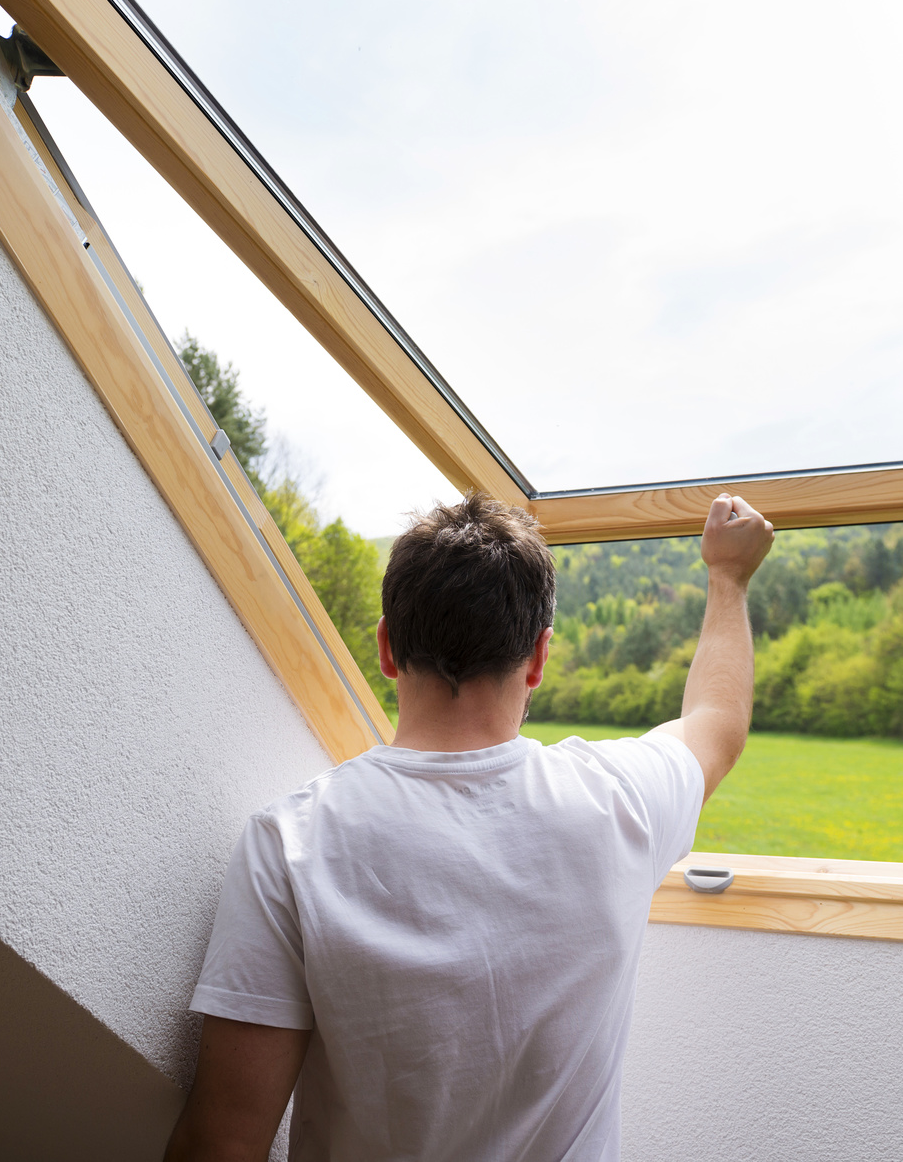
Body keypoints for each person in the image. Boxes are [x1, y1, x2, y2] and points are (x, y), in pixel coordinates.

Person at [164, 492, 775, 1162]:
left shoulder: (289, 845)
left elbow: (224, 1143)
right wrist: (727, 576)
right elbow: (718, 721)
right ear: (539, 658)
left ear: (387, 648)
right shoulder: (617, 799)